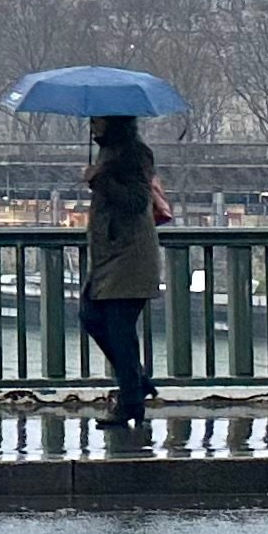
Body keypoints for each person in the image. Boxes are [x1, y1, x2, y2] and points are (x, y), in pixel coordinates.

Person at [80, 113, 161, 427]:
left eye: (98, 120)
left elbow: (138, 200)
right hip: (111, 256)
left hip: (129, 257)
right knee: (93, 317)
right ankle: (136, 383)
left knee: (118, 328)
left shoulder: (135, 152)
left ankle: (131, 401)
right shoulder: (110, 151)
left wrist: (99, 180)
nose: (92, 125)